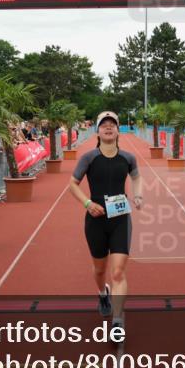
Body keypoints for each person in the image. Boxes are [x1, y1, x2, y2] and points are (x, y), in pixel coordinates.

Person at [68, 111, 143, 341]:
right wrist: (88, 203)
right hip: (96, 219)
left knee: (118, 271)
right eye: (104, 125)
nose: (108, 128)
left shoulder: (128, 158)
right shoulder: (89, 158)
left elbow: (136, 177)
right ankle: (103, 294)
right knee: (100, 270)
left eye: (112, 125)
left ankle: (117, 321)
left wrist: (138, 195)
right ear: (98, 131)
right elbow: (72, 184)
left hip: (121, 219)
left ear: (118, 130)